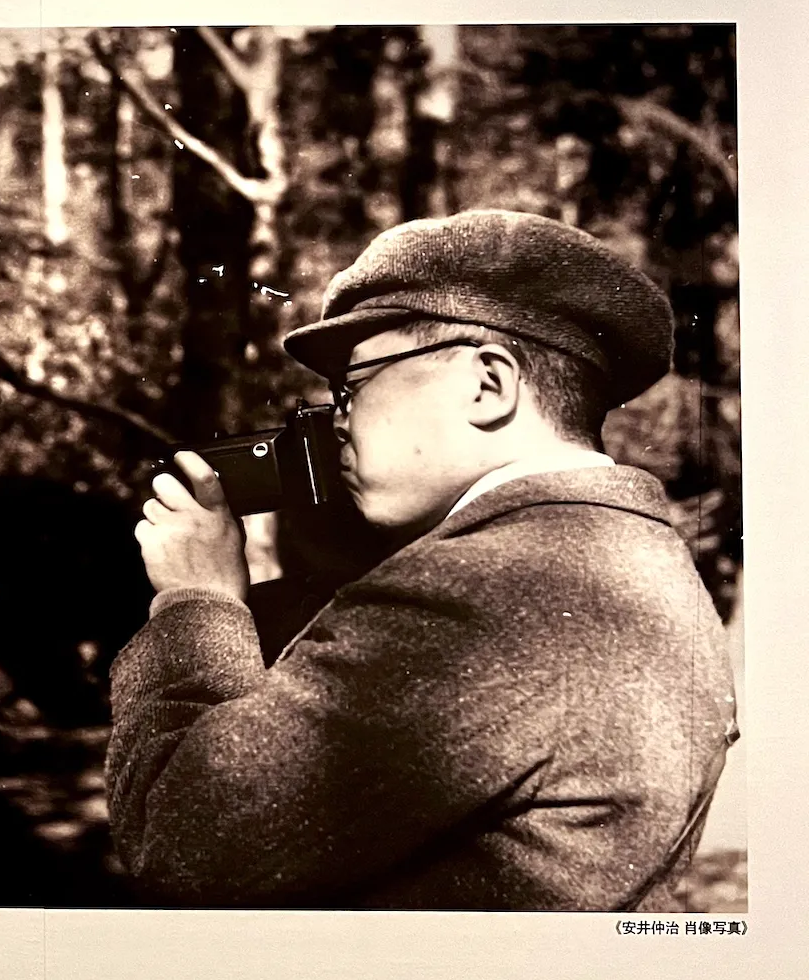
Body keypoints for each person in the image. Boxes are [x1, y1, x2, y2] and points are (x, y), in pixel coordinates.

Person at [107, 210, 738, 910]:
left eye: (352, 387)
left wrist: (196, 600)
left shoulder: (483, 592)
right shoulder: (635, 561)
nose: (336, 422)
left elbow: (179, 837)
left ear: (487, 385)